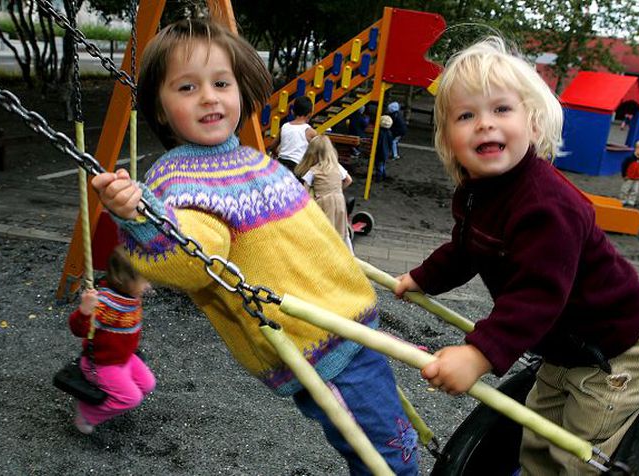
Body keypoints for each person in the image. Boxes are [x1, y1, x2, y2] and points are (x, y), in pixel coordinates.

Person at [91, 18, 418, 474]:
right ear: (161, 110)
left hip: (351, 321)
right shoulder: (177, 177)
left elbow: (312, 232)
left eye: (220, 82)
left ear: (239, 89)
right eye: (186, 88)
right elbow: (193, 260)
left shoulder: (251, 157)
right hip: (314, 345)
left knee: (396, 436)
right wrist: (140, 218)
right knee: (387, 457)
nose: (208, 96)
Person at [394, 36, 639, 474]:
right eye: (466, 115)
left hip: (619, 348)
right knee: (536, 430)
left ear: (534, 125)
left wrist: (478, 354)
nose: (485, 124)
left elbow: (537, 295)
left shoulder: (546, 206)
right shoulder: (477, 194)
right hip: (565, 345)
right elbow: (466, 249)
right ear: (448, 138)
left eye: (501, 110)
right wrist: (422, 277)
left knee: (576, 446)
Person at [68, 246, 155, 435]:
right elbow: (78, 329)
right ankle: (86, 413)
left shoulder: (131, 295)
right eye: (144, 280)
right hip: (100, 363)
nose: (148, 285)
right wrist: (84, 311)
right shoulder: (103, 304)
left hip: (123, 357)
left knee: (148, 384)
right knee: (131, 399)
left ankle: (110, 400)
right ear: (125, 280)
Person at [295, 135, 353, 251]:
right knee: (341, 229)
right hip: (339, 199)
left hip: (323, 201)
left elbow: (304, 193)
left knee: (324, 229)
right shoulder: (337, 166)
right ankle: (349, 253)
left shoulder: (313, 170)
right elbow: (348, 180)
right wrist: (337, 190)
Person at [271, 95, 318, 171]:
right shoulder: (310, 131)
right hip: (296, 167)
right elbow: (320, 151)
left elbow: (273, 146)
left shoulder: (285, 126)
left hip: (280, 164)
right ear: (310, 113)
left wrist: (278, 153)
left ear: (292, 111)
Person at [619, 140, 639, 207]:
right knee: (625, 189)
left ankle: (631, 201)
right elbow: (624, 166)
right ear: (637, 149)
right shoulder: (629, 158)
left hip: (637, 178)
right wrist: (624, 175)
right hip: (629, 177)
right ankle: (622, 200)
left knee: (635, 190)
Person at [375, 115, 393, 182]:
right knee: (383, 164)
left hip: (380, 151)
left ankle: (379, 177)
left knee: (379, 165)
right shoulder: (389, 133)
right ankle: (383, 174)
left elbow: (378, 143)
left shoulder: (379, 132)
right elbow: (390, 143)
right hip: (386, 151)